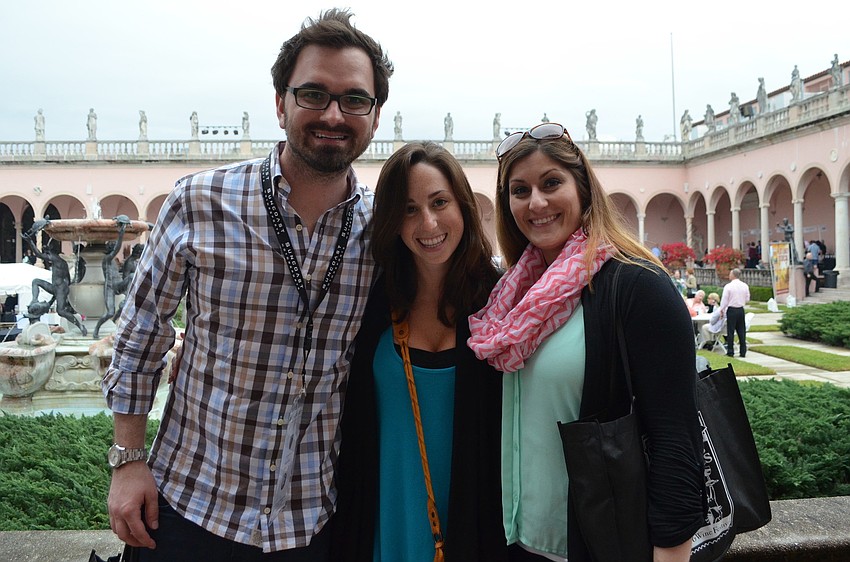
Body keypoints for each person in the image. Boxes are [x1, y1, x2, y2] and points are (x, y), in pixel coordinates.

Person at [102, 9, 393, 560]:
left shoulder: (382, 233)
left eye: (355, 99)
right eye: (313, 93)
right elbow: (141, 333)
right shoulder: (199, 202)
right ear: (281, 103)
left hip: (313, 521)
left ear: (375, 118)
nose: (333, 113)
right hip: (188, 507)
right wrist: (128, 460)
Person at [468, 122, 704, 561]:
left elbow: (675, 439)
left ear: (583, 190)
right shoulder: (509, 297)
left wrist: (671, 553)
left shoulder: (638, 286)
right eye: (519, 191)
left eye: (551, 183)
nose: (536, 202)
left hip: (597, 545)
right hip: (517, 543)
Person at [331, 142, 509, 561]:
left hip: (479, 529)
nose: (427, 222)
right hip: (385, 525)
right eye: (409, 209)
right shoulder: (373, 303)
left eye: (439, 202)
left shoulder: (501, 303)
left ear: (463, 204)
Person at [93, 216, 131, 339]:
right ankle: (97, 329)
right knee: (109, 312)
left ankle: (128, 299)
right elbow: (117, 248)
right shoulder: (107, 258)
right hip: (109, 286)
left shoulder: (113, 260)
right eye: (112, 246)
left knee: (131, 276)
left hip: (118, 284)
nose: (114, 248)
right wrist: (121, 234)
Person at [719, 268, 750, 358]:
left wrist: (722, 309)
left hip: (732, 309)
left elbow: (724, 300)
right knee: (741, 331)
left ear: (733, 275)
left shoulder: (728, 286)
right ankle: (743, 351)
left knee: (731, 331)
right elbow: (747, 298)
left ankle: (730, 351)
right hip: (740, 309)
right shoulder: (745, 285)